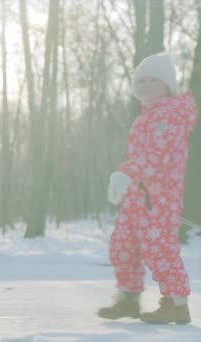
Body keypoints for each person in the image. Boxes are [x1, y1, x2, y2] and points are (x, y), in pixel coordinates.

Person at [98, 53, 198, 324]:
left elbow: (156, 156)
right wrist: (123, 180)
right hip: (138, 195)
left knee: (159, 249)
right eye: (141, 80)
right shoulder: (148, 114)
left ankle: (176, 304)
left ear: (168, 84)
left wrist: (125, 174)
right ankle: (129, 299)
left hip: (159, 198)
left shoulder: (169, 115)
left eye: (154, 79)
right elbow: (139, 157)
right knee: (123, 245)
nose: (146, 85)